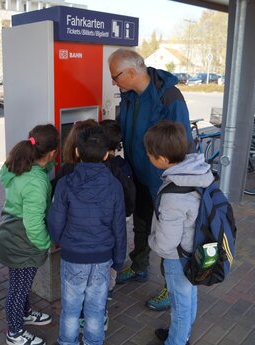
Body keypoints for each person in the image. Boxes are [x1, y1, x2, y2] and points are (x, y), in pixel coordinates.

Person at [108, 48, 193, 311]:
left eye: (115, 76)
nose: (113, 81)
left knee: (171, 236)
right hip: (139, 175)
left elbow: (182, 143)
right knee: (142, 225)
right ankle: (139, 267)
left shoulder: (169, 96)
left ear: (131, 72)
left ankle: (172, 286)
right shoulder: (130, 96)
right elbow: (125, 131)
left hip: (166, 182)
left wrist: (172, 181)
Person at [47, 126, 127, 345]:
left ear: (77, 153)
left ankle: (67, 342)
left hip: (73, 257)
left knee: (71, 309)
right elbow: (119, 226)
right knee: (96, 309)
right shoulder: (114, 186)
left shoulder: (65, 184)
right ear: (105, 154)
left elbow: (56, 221)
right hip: (102, 258)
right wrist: (119, 260)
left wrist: (62, 240)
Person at [144, 120, 214, 345]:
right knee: (189, 294)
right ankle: (180, 332)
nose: (148, 157)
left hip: (178, 257)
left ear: (162, 159)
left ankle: (176, 340)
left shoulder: (174, 194)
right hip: (195, 248)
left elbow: (166, 242)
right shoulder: (196, 172)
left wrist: (151, 240)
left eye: (149, 154)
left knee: (179, 304)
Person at [0, 124, 59, 345]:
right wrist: (45, 244)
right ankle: (14, 333)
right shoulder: (36, 181)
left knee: (21, 282)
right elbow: (33, 222)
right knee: (18, 288)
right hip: (22, 238)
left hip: (11, 232)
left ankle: (24, 314)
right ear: (52, 152)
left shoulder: (20, 165)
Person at [99, 118, 136, 297]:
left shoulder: (102, 167)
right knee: (115, 251)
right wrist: (128, 213)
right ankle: (109, 288)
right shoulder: (122, 165)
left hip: (107, 222)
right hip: (121, 218)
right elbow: (131, 192)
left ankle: (106, 288)